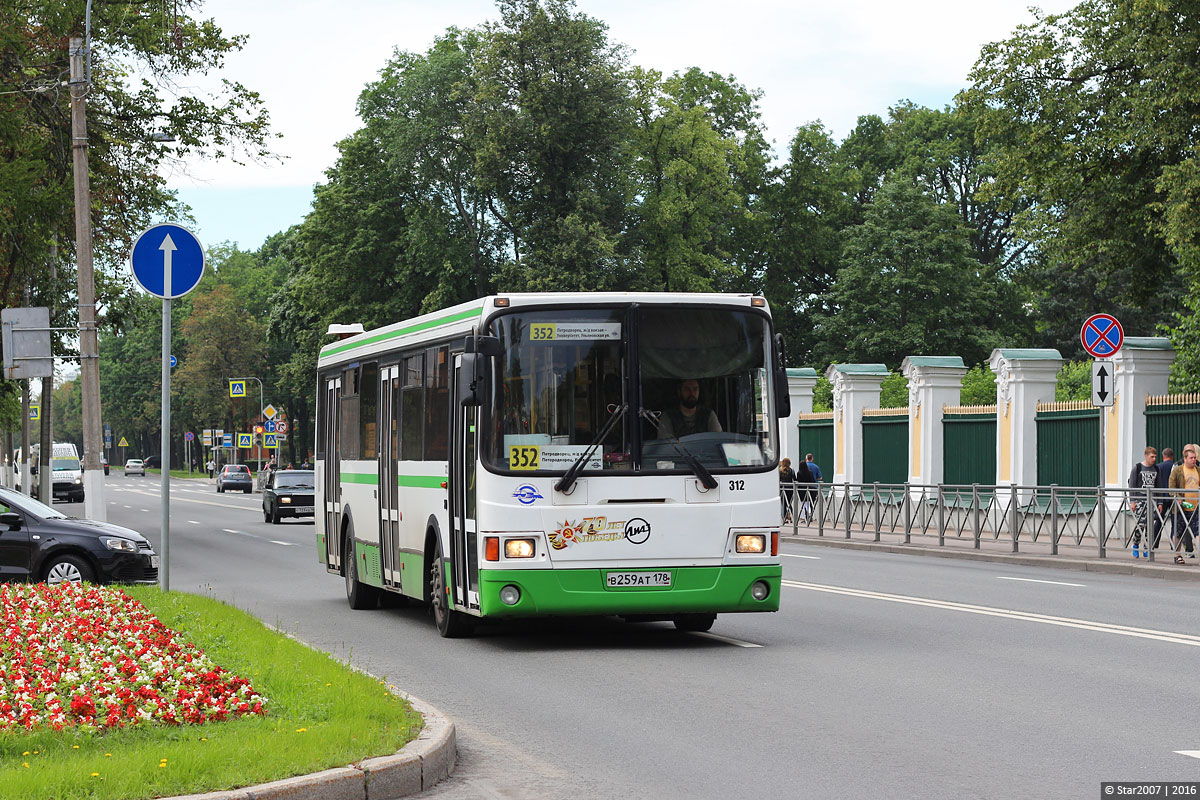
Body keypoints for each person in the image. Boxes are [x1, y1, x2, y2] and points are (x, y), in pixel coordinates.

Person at [1167, 444, 1200, 564]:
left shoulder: (1198, 470)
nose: (1194, 460)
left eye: (1194, 457)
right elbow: (1171, 487)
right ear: (1185, 459)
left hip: (1195, 506)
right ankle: (1177, 555)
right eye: (1191, 458)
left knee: (1198, 530)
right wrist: (1178, 498)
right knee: (1178, 531)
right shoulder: (1178, 470)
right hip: (1181, 507)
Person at [1127, 447, 1160, 558]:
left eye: (1155, 457)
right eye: (1152, 457)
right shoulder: (1138, 468)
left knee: (1150, 526)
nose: (1154, 459)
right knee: (1140, 524)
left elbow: (1159, 486)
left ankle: (1147, 548)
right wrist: (1132, 501)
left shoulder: (1156, 469)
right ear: (1146, 456)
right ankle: (1135, 545)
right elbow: (1132, 484)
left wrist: (1160, 503)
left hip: (1152, 501)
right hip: (1140, 500)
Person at [1157, 447, 1175, 547]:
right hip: (1173, 497)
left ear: (1163, 455)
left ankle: (1154, 543)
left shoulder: (1158, 467)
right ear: (1172, 456)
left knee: (1159, 521)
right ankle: (1173, 544)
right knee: (1174, 522)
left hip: (1161, 498)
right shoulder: (1175, 467)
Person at [802, 453, 822, 522]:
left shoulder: (803, 466)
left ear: (806, 459)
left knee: (804, 501)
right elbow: (820, 477)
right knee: (812, 502)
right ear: (812, 459)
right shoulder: (816, 467)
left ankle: (806, 516)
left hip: (804, 487)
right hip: (813, 487)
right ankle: (811, 516)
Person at [779, 458, 797, 523]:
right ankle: (791, 517)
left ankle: (784, 518)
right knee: (789, 503)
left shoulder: (779, 471)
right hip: (790, 489)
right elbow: (795, 479)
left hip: (781, 488)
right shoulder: (791, 471)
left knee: (783, 504)